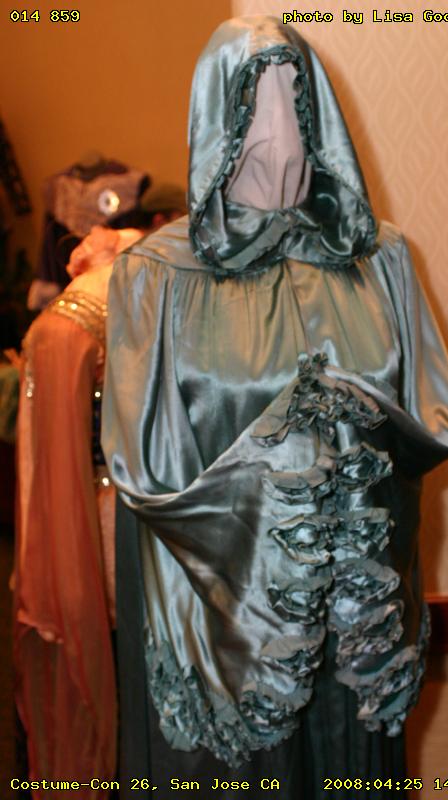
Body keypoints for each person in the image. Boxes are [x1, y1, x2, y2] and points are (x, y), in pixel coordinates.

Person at [102, 17, 448, 800]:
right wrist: (287, 447)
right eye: (252, 103)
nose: (278, 136)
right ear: (216, 120)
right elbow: (145, 472)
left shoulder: (381, 261)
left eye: (296, 99)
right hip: (225, 628)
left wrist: (348, 420)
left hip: (357, 617)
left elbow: (432, 425)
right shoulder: (154, 279)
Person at [13, 187, 185, 798]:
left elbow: (43, 468)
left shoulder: (69, 322)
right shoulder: (162, 290)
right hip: (162, 512)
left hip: (100, 512)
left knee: (112, 648)